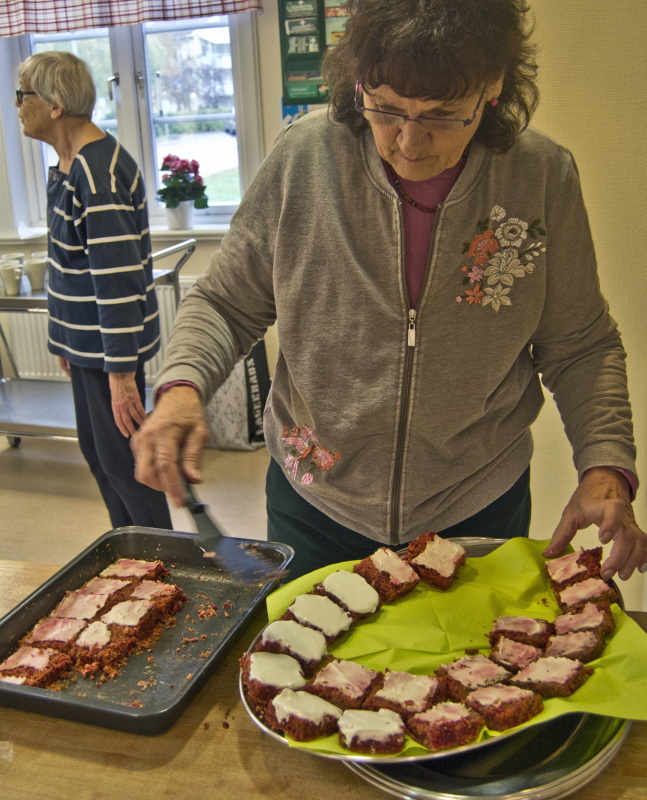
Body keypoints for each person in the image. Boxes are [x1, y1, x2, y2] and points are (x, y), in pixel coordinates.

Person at [132, 0, 646, 581]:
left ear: (493, 86)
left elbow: (580, 344)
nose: (408, 141)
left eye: (442, 114)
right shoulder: (304, 161)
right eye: (385, 109)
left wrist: (604, 464)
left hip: (477, 501)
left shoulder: (542, 177)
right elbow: (226, 302)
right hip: (316, 501)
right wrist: (181, 386)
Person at [16, 51, 172, 531]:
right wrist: (65, 340)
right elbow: (70, 264)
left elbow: (117, 280)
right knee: (101, 455)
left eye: (23, 95)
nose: (17, 105)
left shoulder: (97, 175)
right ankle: (132, 553)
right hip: (86, 348)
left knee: (125, 465)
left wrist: (122, 373)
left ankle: (165, 561)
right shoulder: (68, 166)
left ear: (55, 104)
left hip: (110, 354)